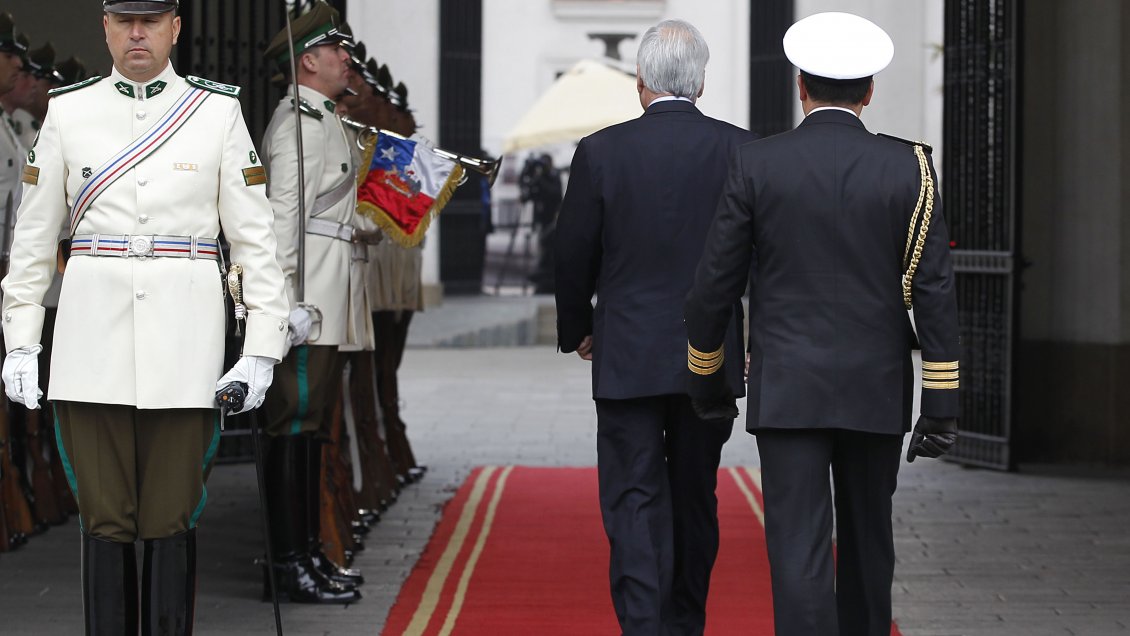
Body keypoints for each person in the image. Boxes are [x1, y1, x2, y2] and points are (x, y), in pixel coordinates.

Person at [0, 0, 290, 633]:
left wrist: (262, 347)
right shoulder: (69, 113)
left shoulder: (216, 113)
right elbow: (32, 241)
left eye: (151, 20)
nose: (138, 33)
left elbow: (254, 240)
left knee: (170, 515)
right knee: (103, 518)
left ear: (175, 28)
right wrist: (20, 341)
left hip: (184, 346)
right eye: (125, 20)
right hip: (89, 347)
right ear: (105, 26)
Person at [683, 12, 961, 636]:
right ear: (869, 92)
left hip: (789, 387)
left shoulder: (758, 164)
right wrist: (941, 397)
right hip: (875, 384)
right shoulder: (909, 167)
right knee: (869, 541)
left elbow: (713, 288)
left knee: (798, 549)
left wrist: (707, 376)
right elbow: (932, 287)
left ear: (801, 87)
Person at [554, 19, 754, 635]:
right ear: (700, 82)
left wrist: (578, 328)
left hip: (628, 352)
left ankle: (644, 625)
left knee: (633, 499)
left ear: (639, 81)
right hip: (710, 354)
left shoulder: (601, 151)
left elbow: (572, 251)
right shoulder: (741, 149)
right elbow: (758, 254)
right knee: (695, 494)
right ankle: (685, 621)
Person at [259, 0, 373, 604]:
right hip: (305, 307)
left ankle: (305, 553)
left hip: (325, 302)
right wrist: (282, 310)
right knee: (291, 428)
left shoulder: (323, 118)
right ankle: (286, 563)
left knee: (308, 433)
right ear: (308, 61)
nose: (345, 58)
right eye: (337, 50)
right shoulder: (297, 127)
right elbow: (282, 225)